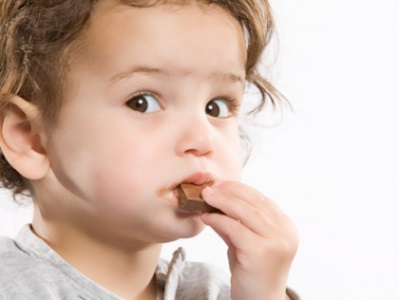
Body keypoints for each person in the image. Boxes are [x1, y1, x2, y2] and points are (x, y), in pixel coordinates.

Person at [0, 0, 299, 299]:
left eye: (216, 107)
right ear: (31, 139)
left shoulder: (226, 291)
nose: (203, 139)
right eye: (143, 102)